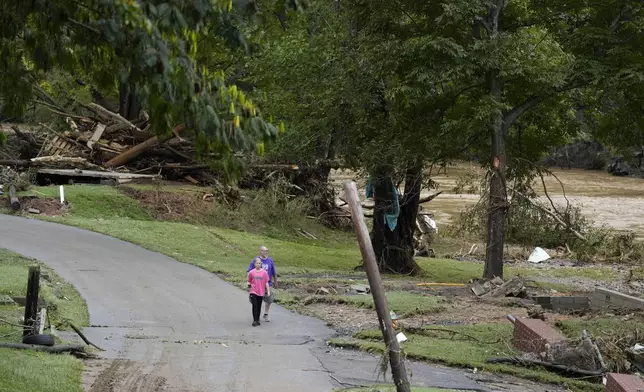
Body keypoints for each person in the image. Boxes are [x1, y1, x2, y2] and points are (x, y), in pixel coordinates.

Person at [246, 245, 277, 322]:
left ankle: (266, 314)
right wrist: (249, 282)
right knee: (256, 301)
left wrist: (275, 281)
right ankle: (256, 316)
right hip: (256, 284)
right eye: (264, 251)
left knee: (269, 299)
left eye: (267, 251)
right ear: (260, 251)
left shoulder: (270, 260)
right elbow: (249, 271)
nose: (265, 252)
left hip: (267, 283)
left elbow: (274, 272)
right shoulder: (256, 260)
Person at [247, 258, 270, 326]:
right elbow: (249, 280)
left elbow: (266, 282)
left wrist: (268, 291)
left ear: (261, 264)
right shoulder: (251, 272)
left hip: (261, 291)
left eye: (259, 263)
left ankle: (257, 319)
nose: (258, 264)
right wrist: (248, 284)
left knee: (259, 306)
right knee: (254, 305)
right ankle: (254, 320)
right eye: (257, 263)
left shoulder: (264, 273)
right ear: (254, 264)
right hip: (253, 291)